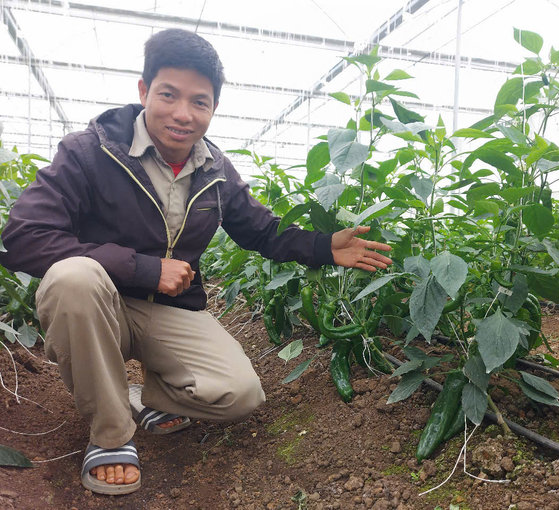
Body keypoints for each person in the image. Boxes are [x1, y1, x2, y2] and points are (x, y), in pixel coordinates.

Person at [0, 28, 392, 495]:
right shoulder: (90, 152)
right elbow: (23, 238)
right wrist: (143, 269)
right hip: (95, 304)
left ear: (213, 108)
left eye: (199, 102)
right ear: (144, 91)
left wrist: (325, 246)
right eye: (169, 95)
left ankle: (143, 397)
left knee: (239, 394)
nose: (183, 114)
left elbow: (260, 230)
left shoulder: (214, 169)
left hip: (168, 310)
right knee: (73, 279)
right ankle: (110, 435)